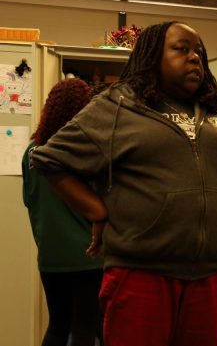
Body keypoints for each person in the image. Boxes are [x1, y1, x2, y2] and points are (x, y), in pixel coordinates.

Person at [31, 21, 217, 346]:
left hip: (208, 275)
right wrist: (96, 210)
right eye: (182, 49)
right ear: (153, 55)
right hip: (140, 273)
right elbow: (47, 159)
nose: (195, 58)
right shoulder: (118, 106)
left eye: (199, 51)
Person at [22, 78, 103, 346]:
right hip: (88, 255)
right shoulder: (82, 151)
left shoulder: (32, 152)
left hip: (50, 254)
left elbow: (30, 201)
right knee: (85, 327)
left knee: (58, 325)